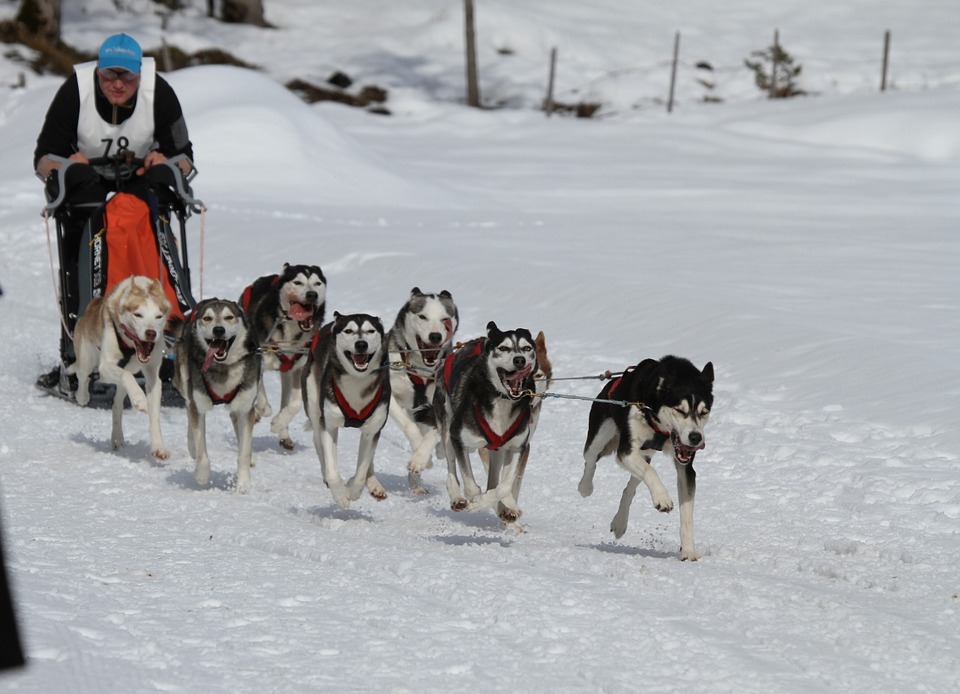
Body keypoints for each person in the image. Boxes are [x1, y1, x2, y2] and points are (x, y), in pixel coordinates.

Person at [34, 33, 195, 392]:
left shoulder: (159, 92)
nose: (118, 84)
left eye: (127, 76)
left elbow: (184, 156)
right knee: (88, 206)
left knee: (149, 210)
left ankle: (167, 341)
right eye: (109, 76)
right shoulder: (75, 91)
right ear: (97, 72)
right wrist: (63, 164)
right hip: (86, 185)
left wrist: (165, 161)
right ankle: (79, 350)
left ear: (140, 74)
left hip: (138, 181)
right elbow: (44, 156)